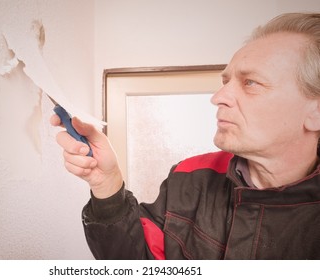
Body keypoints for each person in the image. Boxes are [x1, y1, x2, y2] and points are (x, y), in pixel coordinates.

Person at [50, 13, 320, 259]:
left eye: (251, 82)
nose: (218, 97)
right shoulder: (189, 175)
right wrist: (106, 182)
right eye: (226, 82)